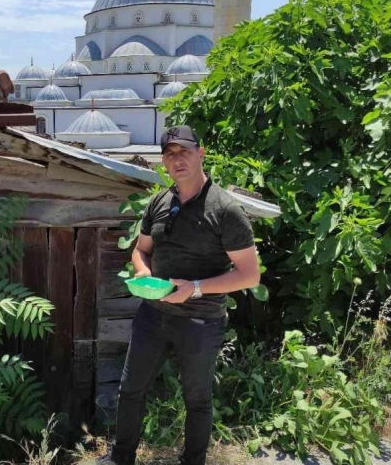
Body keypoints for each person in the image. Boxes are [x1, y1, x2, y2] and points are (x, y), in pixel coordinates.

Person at [84, 125, 261, 465]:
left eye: (184, 151)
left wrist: (195, 288)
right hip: (154, 315)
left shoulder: (224, 210)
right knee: (130, 389)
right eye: (170, 154)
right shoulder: (160, 202)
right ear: (164, 162)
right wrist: (143, 272)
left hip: (200, 320)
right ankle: (121, 458)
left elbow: (249, 274)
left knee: (196, 399)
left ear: (201, 153)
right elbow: (141, 249)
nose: (177, 159)